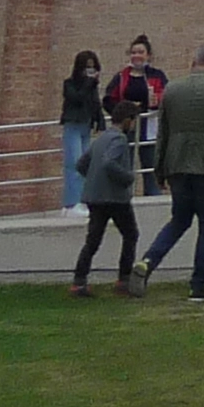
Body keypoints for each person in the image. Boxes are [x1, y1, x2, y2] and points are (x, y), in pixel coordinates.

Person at [139, 43, 204, 301]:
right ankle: (199, 283)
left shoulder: (172, 89)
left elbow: (162, 132)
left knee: (179, 220)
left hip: (177, 165)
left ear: (192, 61)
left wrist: (160, 169)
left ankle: (147, 262)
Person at [71, 104, 144, 298]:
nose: (135, 125)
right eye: (134, 120)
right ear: (127, 120)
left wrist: (94, 179)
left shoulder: (100, 138)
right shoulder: (119, 140)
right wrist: (127, 177)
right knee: (131, 235)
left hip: (94, 198)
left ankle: (79, 281)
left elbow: (80, 164)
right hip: (115, 198)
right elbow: (108, 163)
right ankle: (124, 279)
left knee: (93, 240)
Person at [102, 34, 166, 157]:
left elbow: (165, 94)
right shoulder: (121, 76)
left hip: (149, 124)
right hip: (127, 124)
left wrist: (156, 100)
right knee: (125, 160)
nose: (136, 56)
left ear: (148, 55)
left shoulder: (157, 75)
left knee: (149, 162)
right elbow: (108, 99)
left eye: (140, 52)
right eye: (133, 53)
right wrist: (121, 113)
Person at [58, 49, 104, 210]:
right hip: (73, 124)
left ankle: (81, 200)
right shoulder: (69, 84)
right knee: (74, 163)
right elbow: (76, 98)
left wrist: (100, 120)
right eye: (86, 68)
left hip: (86, 125)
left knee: (86, 165)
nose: (89, 72)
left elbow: (95, 104)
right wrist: (88, 83)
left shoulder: (92, 88)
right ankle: (71, 203)